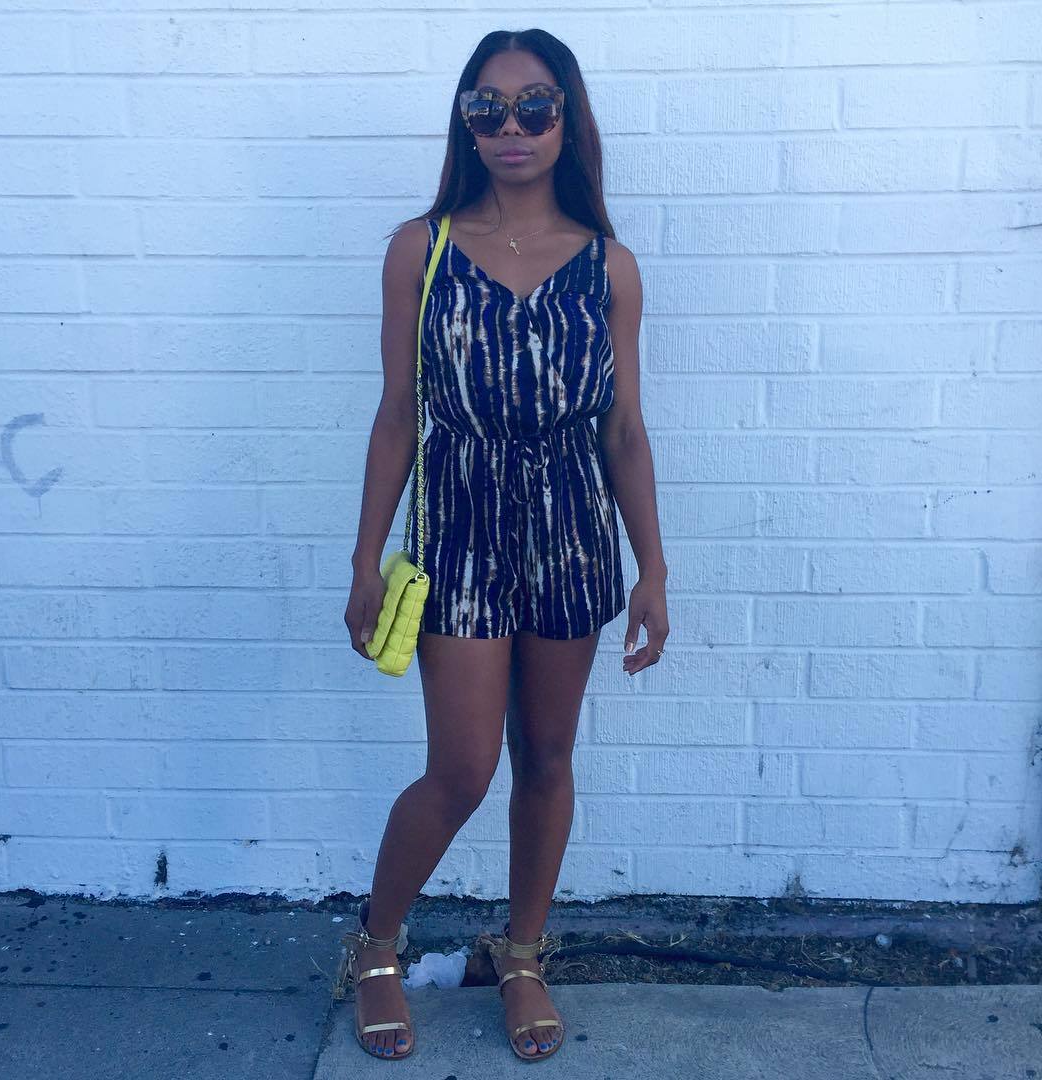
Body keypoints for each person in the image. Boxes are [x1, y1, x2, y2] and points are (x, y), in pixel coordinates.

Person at [342, 27, 669, 1062]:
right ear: (466, 123)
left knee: (550, 756)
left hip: (574, 528)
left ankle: (522, 955)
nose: (511, 126)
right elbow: (399, 412)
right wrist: (364, 558)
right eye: (488, 107)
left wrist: (653, 567)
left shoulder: (610, 267)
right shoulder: (422, 248)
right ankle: (376, 948)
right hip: (460, 523)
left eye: (535, 106)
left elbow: (623, 428)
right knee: (463, 767)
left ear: (567, 119)